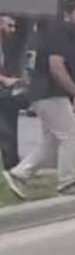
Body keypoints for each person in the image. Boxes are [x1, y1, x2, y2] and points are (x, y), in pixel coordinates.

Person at [3, 0, 75, 199]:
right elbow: (56, 67)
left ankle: (19, 174)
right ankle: (67, 183)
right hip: (49, 94)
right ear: (67, 15)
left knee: (52, 142)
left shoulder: (68, 35)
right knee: (70, 136)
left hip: (47, 94)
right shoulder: (59, 33)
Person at [0, 15, 23, 172]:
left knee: (8, 129)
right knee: (6, 130)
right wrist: (5, 80)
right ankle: (12, 167)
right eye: (10, 26)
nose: (13, 30)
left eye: (14, 26)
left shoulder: (4, 46)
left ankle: (12, 165)